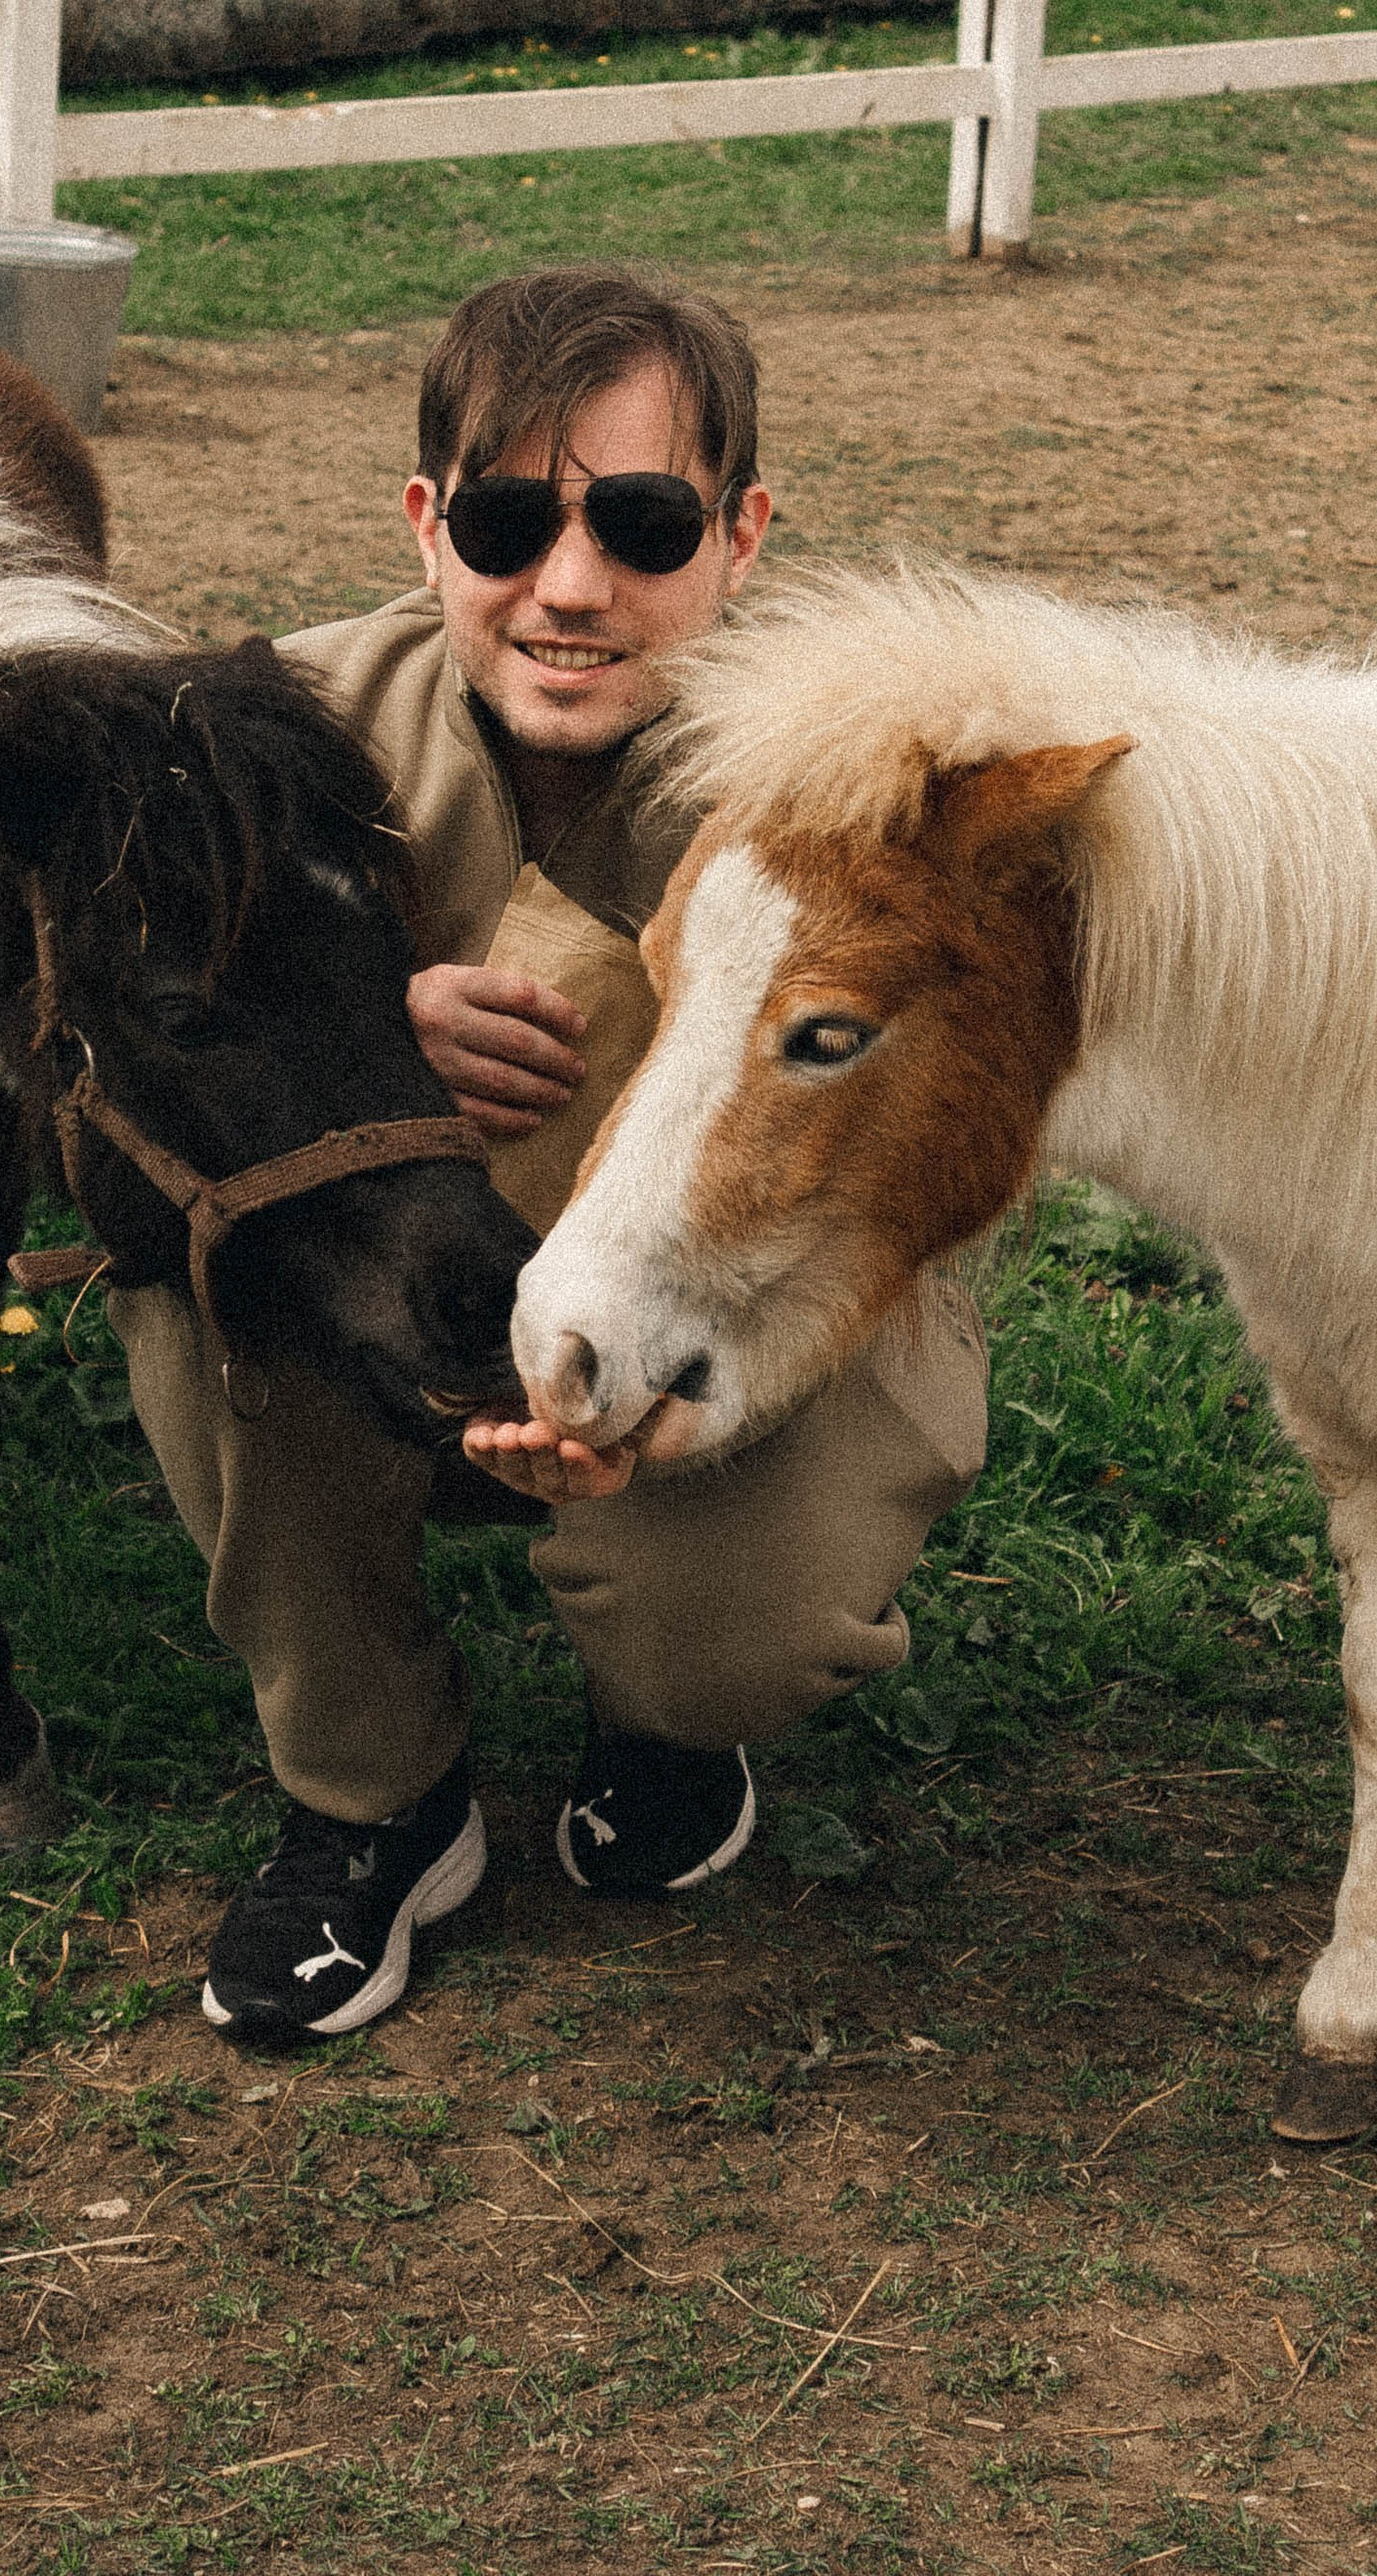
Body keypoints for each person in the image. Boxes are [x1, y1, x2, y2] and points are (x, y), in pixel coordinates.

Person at [107, 263, 989, 2048]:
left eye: (646, 525)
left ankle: (669, 1717)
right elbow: (96, 1077)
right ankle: (374, 1799)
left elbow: (932, 1158)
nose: (571, 588)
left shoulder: (855, 781)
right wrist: (342, 1045)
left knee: (729, 1635)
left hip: (747, 1317)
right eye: (511, 520)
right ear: (427, 525)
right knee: (194, 1256)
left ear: (743, 536)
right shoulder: (259, 730)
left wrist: (701, 1394)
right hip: (391, 1308)